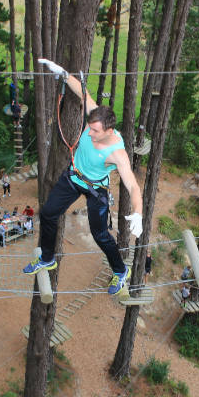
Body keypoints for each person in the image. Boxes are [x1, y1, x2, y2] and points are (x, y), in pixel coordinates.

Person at [23, 59, 144, 295]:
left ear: (109, 130)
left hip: (96, 189)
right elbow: (83, 92)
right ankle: (48, 258)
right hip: (73, 176)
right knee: (48, 214)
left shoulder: (117, 153)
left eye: (95, 131)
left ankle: (120, 271)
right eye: (90, 128)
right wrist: (64, 74)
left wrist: (138, 213)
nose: (89, 133)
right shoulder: (96, 118)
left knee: (100, 235)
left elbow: (133, 186)